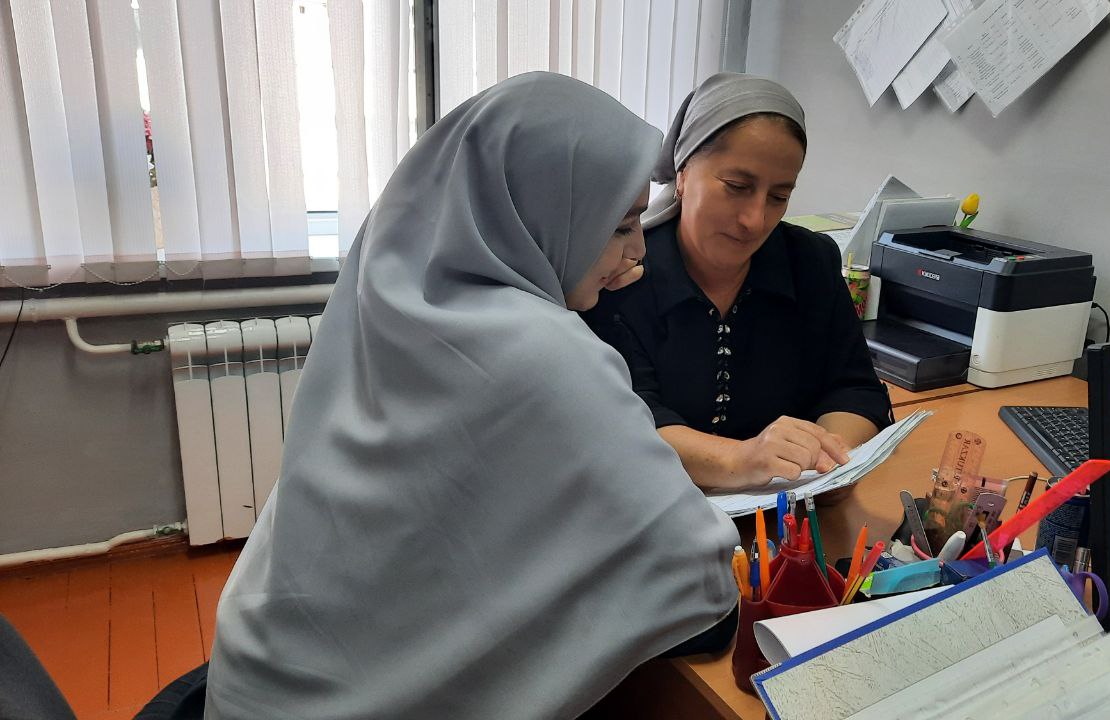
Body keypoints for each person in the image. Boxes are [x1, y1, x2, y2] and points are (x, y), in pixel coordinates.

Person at [204, 72, 739, 720]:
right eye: (621, 224)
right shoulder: (543, 353)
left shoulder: (390, 296)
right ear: (542, 210)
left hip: (255, 677)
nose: (638, 250)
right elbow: (698, 583)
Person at [585, 74, 892, 494]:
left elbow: (854, 388)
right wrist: (741, 459)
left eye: (778, 196)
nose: (755, 219)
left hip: (790, 514)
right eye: (737, 187)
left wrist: (829, 459)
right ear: (683, 174)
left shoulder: (810, 262)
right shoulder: (620, 272)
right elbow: (623, 421)